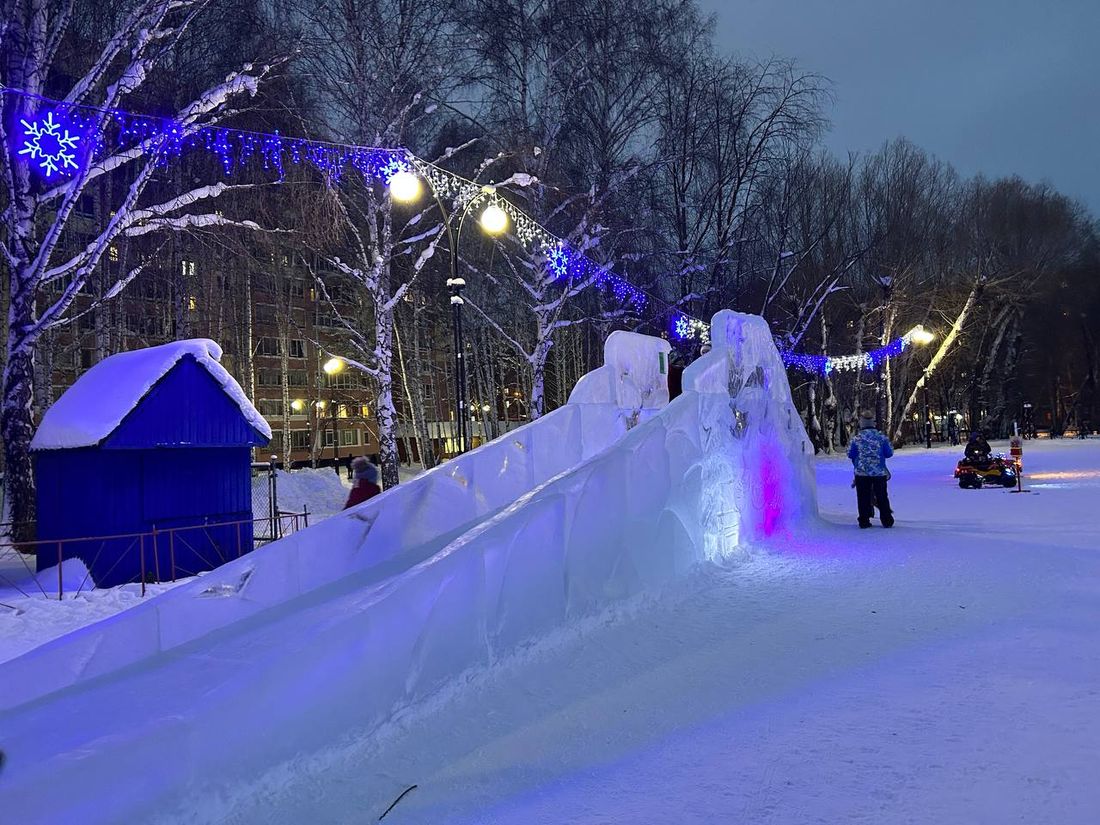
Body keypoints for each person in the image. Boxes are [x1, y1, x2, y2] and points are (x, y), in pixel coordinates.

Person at [847, 409, 895, 529]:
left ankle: (864, 520)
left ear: (861, 423)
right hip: (879, 472)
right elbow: (889, 453)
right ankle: (887, 520)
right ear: (873, 422)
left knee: (863, 496)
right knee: (882, 495)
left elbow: (850, 454)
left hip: (861, 473)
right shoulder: (881, 437)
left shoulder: (857, 438)